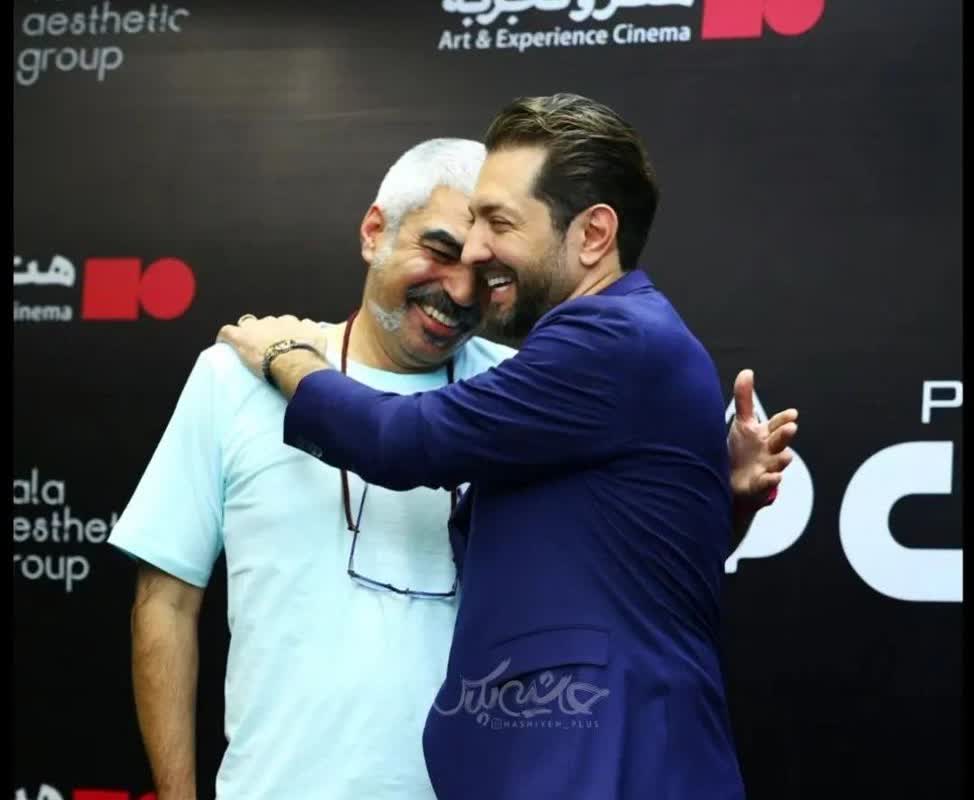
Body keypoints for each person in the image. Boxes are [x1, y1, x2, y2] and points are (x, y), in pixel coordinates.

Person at [112, 134, 794, 799]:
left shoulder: (532, 379)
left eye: (484, 258)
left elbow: (613, 564)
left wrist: (716, 504)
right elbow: (166, 602)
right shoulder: (231, 379)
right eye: (441, 251)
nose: (463, 288)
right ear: (374, 232)